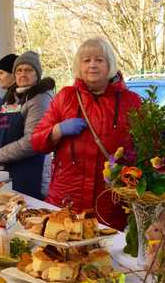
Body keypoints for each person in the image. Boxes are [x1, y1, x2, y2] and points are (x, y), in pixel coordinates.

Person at [32, 37, 141, 230]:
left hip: (109, 206)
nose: (92, 65)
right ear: (79, 66)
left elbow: (148, 150)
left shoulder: (131, 102)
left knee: (105, 257)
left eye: (99, 60)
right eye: (86, 60)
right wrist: (58, 130)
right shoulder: (65, 97)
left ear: (109, 65)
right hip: (66, 202)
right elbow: (38, 142)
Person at [0, 51, 55, 199]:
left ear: (37, 74)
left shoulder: (40, 100)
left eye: (28, 70)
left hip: (29, 173)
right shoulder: (11, 98)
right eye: (19, 70)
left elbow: (31, 142)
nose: (23, 74)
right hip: (6, 170)